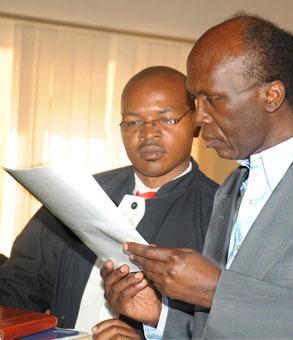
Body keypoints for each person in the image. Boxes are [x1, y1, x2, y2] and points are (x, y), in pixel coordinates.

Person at [100, 14, 293, 339]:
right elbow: (220, 327)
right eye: (195, 99)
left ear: (272, 96)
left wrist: (215, 291)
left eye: (214, 100)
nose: (198, 117)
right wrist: (159, 317)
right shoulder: (233, 186)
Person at [0, 66, 218, 338]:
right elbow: (18, 287)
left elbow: (237, 324)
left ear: (196, 121)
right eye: (133, 121)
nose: (148, 133)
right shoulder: (75, 195)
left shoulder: (222, 212)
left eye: (167, 119)